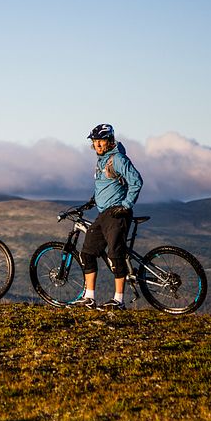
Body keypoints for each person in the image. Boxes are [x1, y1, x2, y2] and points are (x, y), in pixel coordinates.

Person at [75, 123, 143, 310]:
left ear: (110, 141)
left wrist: (126, 206)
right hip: (103, 213)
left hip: (117, 214)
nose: (97, 145)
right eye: (95, 141)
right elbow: (105, 186)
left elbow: (136, 181)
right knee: (87, 253)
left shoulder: (118, 159)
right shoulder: (101, 160)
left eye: (101, 141)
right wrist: (93, 200)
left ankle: (118, 300)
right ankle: (89, 297)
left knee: (115, 255)